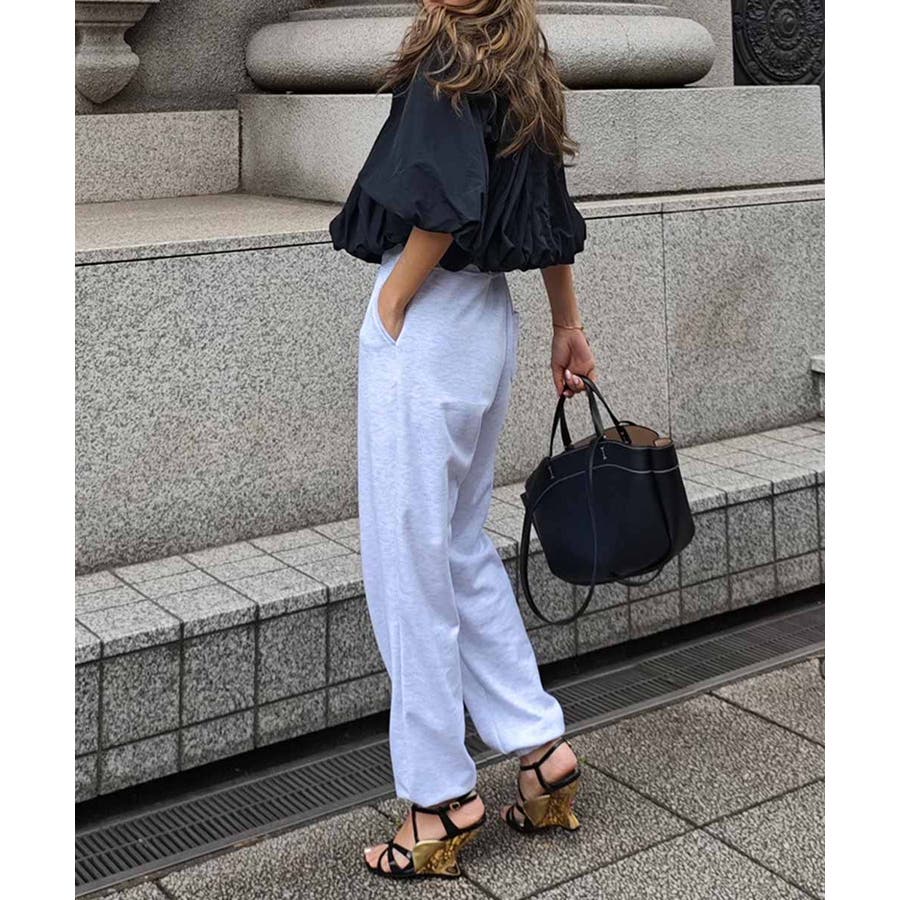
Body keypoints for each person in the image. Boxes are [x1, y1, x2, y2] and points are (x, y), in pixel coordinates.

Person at [328, 0, 598, 880]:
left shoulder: (450, 51)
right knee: (456, 547)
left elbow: (442, 204)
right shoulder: (522, 57)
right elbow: (547, 206)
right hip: (489, 322)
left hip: (432, 321)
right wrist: (567, 324)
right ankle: (540, 750)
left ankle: (438, 799)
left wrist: (393, 300)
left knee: (408, 564)